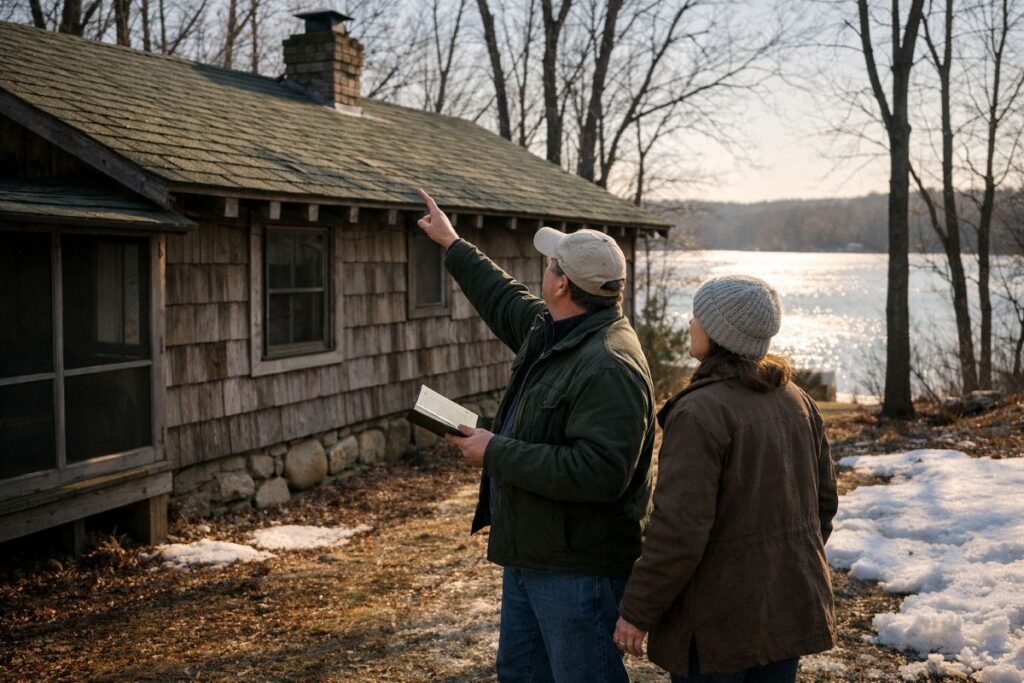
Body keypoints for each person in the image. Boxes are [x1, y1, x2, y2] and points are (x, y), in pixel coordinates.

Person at [415, 188, 656, 683]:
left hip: (578, 570)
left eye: (549, 265)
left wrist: (494, 451)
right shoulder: (555, 328)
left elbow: (600, 473)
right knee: (521, 673)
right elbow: (503, 297)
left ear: (563, 284)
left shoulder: (609, 364)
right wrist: (453, 243)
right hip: (533, 552)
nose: (542, 270)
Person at [614, 275, 838, 683]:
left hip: (718, 625)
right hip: (786, 608)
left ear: (718, 333)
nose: (690, 323)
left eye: (698, 316)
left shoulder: (699, 414)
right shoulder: (797, 399)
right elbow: (823, 506)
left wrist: (637, 612)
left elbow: (678, 531)